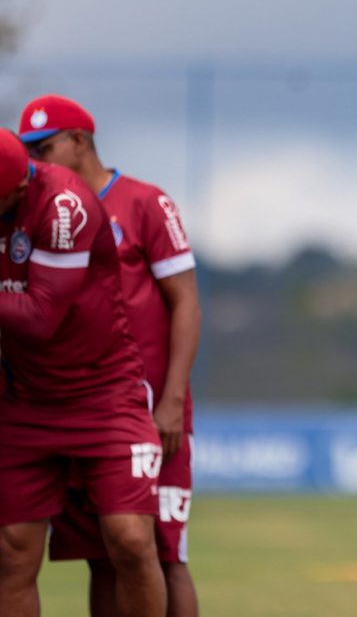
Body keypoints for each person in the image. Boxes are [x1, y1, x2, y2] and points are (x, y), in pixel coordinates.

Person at [18, 94, 202, 617]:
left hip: (149, 413)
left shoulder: (145, 202)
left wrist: (170, 402)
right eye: (27, 151)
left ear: (79, 141)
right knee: (103, 554)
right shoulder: (41, 211)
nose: (35, 161)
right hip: (83, 408)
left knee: (162, 552)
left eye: (44, 147)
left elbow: (186, 303)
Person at [0, 129, 166, 616]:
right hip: (22, 403)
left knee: (131, 541)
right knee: (12, 554)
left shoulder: (65, 204)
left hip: (103, 394)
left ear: (17, 188)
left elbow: (40, 318)